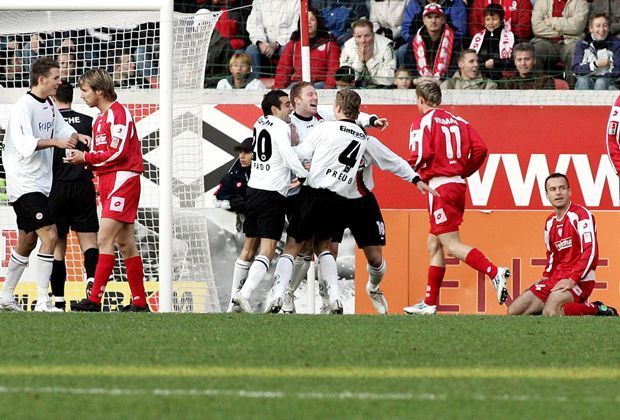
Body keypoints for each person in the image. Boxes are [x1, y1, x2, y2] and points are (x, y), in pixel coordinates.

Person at [403, 81, 510, 315]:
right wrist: (462, 171)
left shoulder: (422, 122)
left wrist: (410, 171)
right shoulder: (459, 121)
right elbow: (481, 149)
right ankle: (430, 303)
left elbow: (422, 153)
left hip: (439, 186)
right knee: (434, 243)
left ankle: (494, 272)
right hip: (457, 184)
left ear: (420, 100)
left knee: (450, 245)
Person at [264, 89, 371, 314]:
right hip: (340, 197)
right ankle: (335, 299)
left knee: (293, 247)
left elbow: (302, 153)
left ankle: (277, 296)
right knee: (324, 249)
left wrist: (292, 146)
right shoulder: (361, 136)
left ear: (338, 108)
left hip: (314, 193)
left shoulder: (325, 127)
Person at [0, 57, 87, 312]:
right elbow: (26, 144)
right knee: (50, 234)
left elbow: (60, 128)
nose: (60, 83)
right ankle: (42, 301)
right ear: (42, 79)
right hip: (24, 183)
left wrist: (75, 135)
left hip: (40, 183)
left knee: (27, 242)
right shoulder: (22, 107)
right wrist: (57, 143)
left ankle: (5, 296)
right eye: (56, 78)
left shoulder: (48, 104)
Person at [67, 68, 149, 312]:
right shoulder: (100, 119)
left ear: (99, 91)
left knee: (103, 239)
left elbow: (119, 152)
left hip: (123, 181)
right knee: (126, 244)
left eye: (84, 91)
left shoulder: (119, 113)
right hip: (108, 182)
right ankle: (140, 303)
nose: (82, 96)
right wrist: (88, 154)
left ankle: (94, 300)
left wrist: (86, 157)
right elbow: (106, 153)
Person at [230, 90, 309, 313]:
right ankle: (243, 295)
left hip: (254, 190)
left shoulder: (260, 121)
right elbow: (287, 154)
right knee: (268, 250)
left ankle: (231, 306)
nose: (290, 109)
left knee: (249, 249)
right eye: (286, 105)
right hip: (272, 194)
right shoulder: (281, 126)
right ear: (274, 110)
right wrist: (303, 175)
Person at [508, 173, 617, 316]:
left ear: (569, 191)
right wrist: (547, 276)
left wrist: (573, 279)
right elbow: (552, 254)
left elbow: (590, 251)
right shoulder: (549, 222)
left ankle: (598, 309)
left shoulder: (582, 215)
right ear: (547, 195)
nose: (558, 193)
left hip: (581, 279)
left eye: (562, 188)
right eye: (553, 189)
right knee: (514, 312)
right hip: (557, 278)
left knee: (552, 311)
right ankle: (553, 309)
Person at [49, 80, 99, 310]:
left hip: (56, 187)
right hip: (82, 185)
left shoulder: (50, 122)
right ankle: (91, 282)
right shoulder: (89, 121)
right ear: (71, 96)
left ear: (53, 97)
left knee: (58, 246)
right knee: (89, 241)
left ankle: (58, 301)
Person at [213, 137, 256, 313]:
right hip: (245, 227)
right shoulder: (232, 176)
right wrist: (233, 204)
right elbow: (217, 200)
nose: (242, 156)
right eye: (240, 152)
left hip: (272, 222)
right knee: (250, 255)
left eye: (247, 152)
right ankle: (236, 301)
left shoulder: (268, 173)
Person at [273, 7, 341, 89]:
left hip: (320, 84)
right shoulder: (293, 44)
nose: (308, 23)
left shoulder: (330, 45)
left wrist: (328, 89)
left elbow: (333, 70)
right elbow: (284, 69)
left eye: (312, 19)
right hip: (297, 84)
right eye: (305, 19)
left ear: (318, 22)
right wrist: (278, 89)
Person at [531, 0, 589, 87]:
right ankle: (536, 89)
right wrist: (562, 32)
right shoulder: (542, 1)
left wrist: (551, 21)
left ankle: (571, 91)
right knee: (536, 50)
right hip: (546, 41)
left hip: (570, 41)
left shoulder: (581, 2)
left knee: (574, 51)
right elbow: (537, 28)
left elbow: (576, 27)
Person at [403, 4, 460, 84]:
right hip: (421, 82)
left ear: (443, 19)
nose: (433, 21)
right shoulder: (414, 40)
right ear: (424, 20)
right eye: (429, 17)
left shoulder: (454, 40)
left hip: (446, 84)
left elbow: (455, 66)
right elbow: (409, 64)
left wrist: (442, 81)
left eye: (437, 17)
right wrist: (417, 79)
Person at [245, 0, 300, 76]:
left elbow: (295, 27)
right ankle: (255, 83)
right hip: (264, 42)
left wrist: (277, 43)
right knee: (251, 50)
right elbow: (254, 24)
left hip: (285, 42)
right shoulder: (258, 1)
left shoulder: (295, 2)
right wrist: (260, 42)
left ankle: (284, 82)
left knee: (286, 50)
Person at [339, 19, 397, 88]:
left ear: (373, 34)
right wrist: (360, 61)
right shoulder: (348, 47)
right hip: (355, 87)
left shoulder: (386, 46)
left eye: (366, 36)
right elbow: (345, 79)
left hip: (381, 88)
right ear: (354, 35)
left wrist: (370, 61)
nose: (363, 40)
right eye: (359, 36)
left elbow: (388, 80)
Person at [572, 13, 620, 91]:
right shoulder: (581, 44)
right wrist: (595, 64)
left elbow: (618, 71)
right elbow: (576, 69)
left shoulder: (617, 44)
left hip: (608, 80)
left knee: (600, 82)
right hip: (587, 77)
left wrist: (602, 75)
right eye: (598, 26)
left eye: (605, 26)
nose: (601, 29)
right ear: (591, 28)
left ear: (608, 28)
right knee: (583, 81)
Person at [469, 4, 516, 81]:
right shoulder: (477, 37)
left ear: (501, 20)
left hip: (504, 79)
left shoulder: (512, 37)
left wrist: (496, 63)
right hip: (479, 77)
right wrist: (484, 65)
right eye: (488, 19)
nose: (490, 23)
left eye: (494, 19)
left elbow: (514, 61)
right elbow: (470, 60)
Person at [468, 0, 532, 42]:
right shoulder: (479, 2)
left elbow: (524, 27)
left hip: (514, 42)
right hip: (485, 43)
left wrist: (507, 40)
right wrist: (487, 40)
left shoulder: (522, 1)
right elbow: (474, 26)